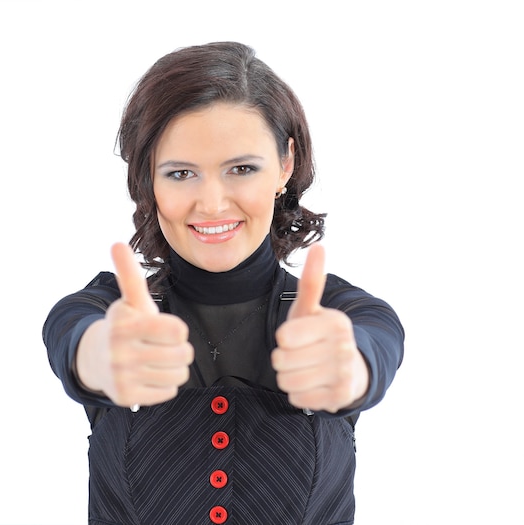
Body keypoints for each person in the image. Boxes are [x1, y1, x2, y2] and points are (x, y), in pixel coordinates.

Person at [43, 41, 404, 525]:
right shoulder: (107, 309)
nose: (211, 204)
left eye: (241, 168)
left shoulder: (341, 313)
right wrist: (98, 357)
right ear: (148, 179)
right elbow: (70, 335)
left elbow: (376, 345)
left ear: (285, 165)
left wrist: (353, 368)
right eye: (181, 173)